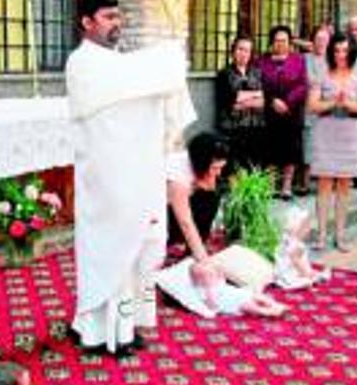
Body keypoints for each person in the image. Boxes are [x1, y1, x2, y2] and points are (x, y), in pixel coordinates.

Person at [65, 0, 196, 356]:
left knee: (136, 251)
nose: (116, 23)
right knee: (107, 252)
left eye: (118, 16)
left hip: (133, 176)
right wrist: (168, 56)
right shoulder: (81, 63)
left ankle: (126, 326)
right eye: (108, 17)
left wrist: (166, 62)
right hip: (104, 181)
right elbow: (136, 82)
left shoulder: (119, 64)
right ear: (86, 22)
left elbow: (141, 89)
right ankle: (98, 331)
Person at [308, 33, 357, 252]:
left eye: (345, 51)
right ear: (331, 52)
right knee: (324, 183)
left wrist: (348, 103)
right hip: (326, 130)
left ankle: (341, 235)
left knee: (344, 184)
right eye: (336, 50)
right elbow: (313, 105)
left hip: (349, 132)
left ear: (352, 52)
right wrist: (334, 101)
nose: (341, 55)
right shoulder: (322, 74)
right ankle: (322, 235)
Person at [256, 25, 309, 199]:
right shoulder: (262, 60)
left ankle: (286, 186)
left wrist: (288, 102)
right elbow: (257, 83)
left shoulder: (299, 59)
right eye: (277, 40)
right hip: (269, 111)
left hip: (291, 112)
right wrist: (272, 100)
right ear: (272, 42)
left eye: (284, 40)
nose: (280, 44)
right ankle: (271, 186)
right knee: (270, 149)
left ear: (289, 42)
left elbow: (303, 85)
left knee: (290, 149)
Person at [167, 132, 229, 262]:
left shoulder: (198, 162)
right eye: (215, 168)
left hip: (176, 203)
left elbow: (210, 192)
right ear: (202, 162)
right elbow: (186, 222)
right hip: (154, 210)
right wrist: (204, 261)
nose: (218, 173)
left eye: (221, 167)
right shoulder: (178, 177)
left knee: (210, 198)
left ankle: (195, 247)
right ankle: (180, 245)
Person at [216, 35, 265, 172]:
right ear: (233, 51)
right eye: (240, 49)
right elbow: (229, 101)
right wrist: (256, 94)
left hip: (256, 127)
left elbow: (265, 100)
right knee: (235, 166)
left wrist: (242, 99)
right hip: (233, 129)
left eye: (247, 50)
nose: (243, 53)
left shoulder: (257, 73)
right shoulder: (224, 74)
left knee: (254, 166)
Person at [188, 260, 287, 317]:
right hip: (232, 303)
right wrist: (209, 295)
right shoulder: (202, 291)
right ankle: (267, 312)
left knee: (256, 296)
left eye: (209, 275)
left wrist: (216, 271)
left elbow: (222, 275)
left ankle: (274, 304)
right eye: (201, 277)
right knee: (248, 306)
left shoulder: (218, 281)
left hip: (238, 294)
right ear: (196, 280)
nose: (206, 279)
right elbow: (211, 306)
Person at [274, 206, 331, 289]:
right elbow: (297, 263)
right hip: (291, 272)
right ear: (298, 229)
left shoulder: (287, 239)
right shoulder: (296, 246)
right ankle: (314, 278)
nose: (308, 229)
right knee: (308, 278)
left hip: (284, 271)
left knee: (310, 273)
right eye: (306, 227)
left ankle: (313, 275)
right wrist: (307, 273)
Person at [302, 26, 331, 189]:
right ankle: (304, 183)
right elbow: (305, 81)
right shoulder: (304, 58)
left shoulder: (334, 60)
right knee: (308, 144)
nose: (321, 43)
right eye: (318, 39)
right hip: (309, 107)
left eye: (324, 39)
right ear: (312, 40)